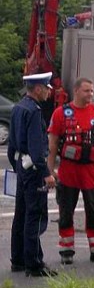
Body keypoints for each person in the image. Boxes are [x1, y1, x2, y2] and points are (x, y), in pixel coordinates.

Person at [47, 78, 94, 265]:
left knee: (93, 211)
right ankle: (66, 250)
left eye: (92, 91)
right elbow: (53, 145)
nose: (90, 95)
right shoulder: (61, 113)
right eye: (87, 91)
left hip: (91, 172)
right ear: (76, 91)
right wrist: (50, 170)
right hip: (68, 171)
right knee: (66, 211)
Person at [8, 72, 58, 277]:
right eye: (46, 88)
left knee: (20, 215)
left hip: (22, 166)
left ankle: (18, 259)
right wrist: (46, 172)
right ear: (38, 88)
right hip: (34, 170)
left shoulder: (18, 107)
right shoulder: (35, 111)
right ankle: (34, 263)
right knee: (35, 216)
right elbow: (37, 148)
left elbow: (12, 144)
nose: (48, 92)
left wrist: (17, 166)